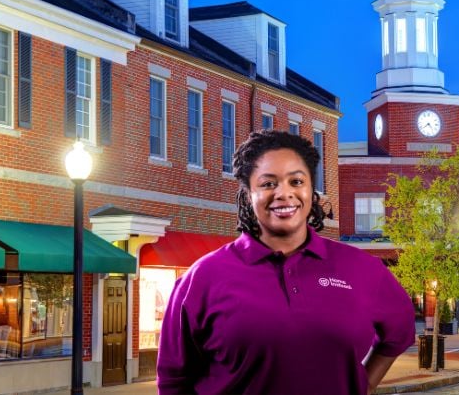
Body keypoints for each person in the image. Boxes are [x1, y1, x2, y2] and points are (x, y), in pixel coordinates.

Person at [157, 130, 415, 395]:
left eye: (296, 181)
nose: (284, 193)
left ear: (310, 190)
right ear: (248, 195)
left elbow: (400, 330)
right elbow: (173, 380)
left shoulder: (361, 269)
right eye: (268, 184)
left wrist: (365, 383)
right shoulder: (202, 278)